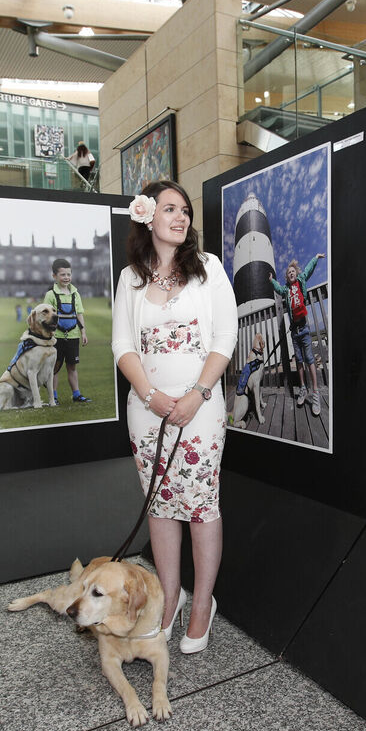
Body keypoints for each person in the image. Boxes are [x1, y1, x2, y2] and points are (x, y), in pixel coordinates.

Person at [111, 180, 238, 655]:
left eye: (185, 210)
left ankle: (203, 602)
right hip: (147, 414)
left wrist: (197, 394)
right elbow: (123, 345)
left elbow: (225, 335)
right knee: (161, 508)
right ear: (148, 218)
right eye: (169, 209)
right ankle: (170, 599)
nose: (181, 218)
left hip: (200, 410)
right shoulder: (131, 278)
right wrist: (149, 396)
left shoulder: (208, 269)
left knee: (201, 505)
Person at [269, 253, 326, 416]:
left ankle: (315, 393)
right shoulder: (286, 289)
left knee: (309, 360)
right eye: (289, 273)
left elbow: (308, 270)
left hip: (305, 329)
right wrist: (272, 280)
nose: (291, 274)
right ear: (287, 277)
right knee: (299, 361)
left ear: (296, 273)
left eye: (293, 271)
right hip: (294, 331)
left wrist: (315, 258)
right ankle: (303, 389)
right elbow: (279, 289)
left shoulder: (301, 281)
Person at [43, 258, 91, 403]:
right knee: (54, 368)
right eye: (63, 275)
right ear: (54, 276)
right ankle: (54, 397)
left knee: (72, 366)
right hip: (56, 337)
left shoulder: (75, 294)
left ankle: (76, 394)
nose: (66, 278)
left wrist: (83, 332)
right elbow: (46, 316)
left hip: (73, 335)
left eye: (68, 274)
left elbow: (79, 314)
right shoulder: (50, 294)